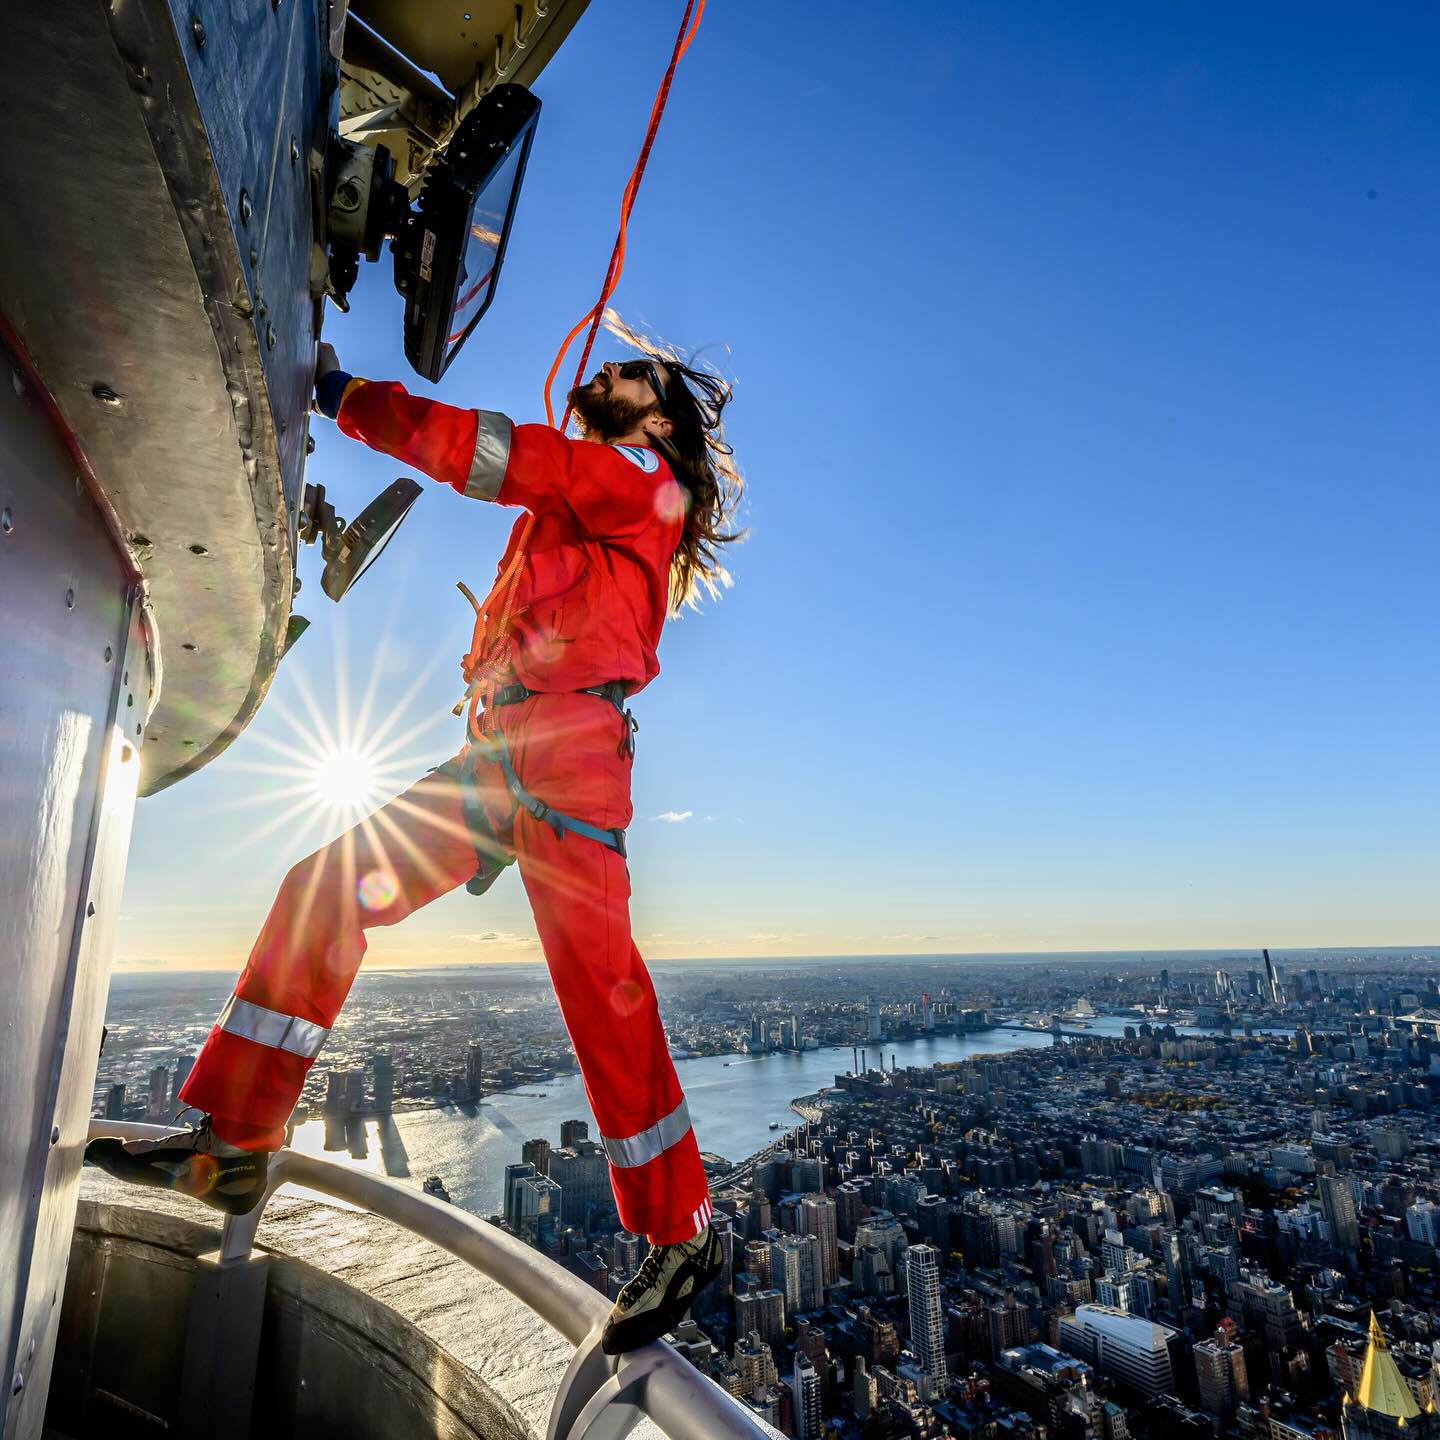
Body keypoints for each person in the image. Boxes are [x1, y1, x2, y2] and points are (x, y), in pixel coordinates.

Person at [87, 341, 743, 1354]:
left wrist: (348, 398)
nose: (610, 375)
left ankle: (681, 1230)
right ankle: (239, 1144)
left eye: (633, 378)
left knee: (600, 986)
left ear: (656, 424)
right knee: (328, 885)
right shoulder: (580, 509)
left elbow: (489, 453)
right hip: (506, 754)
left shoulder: (631, 479)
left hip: (567, 755)